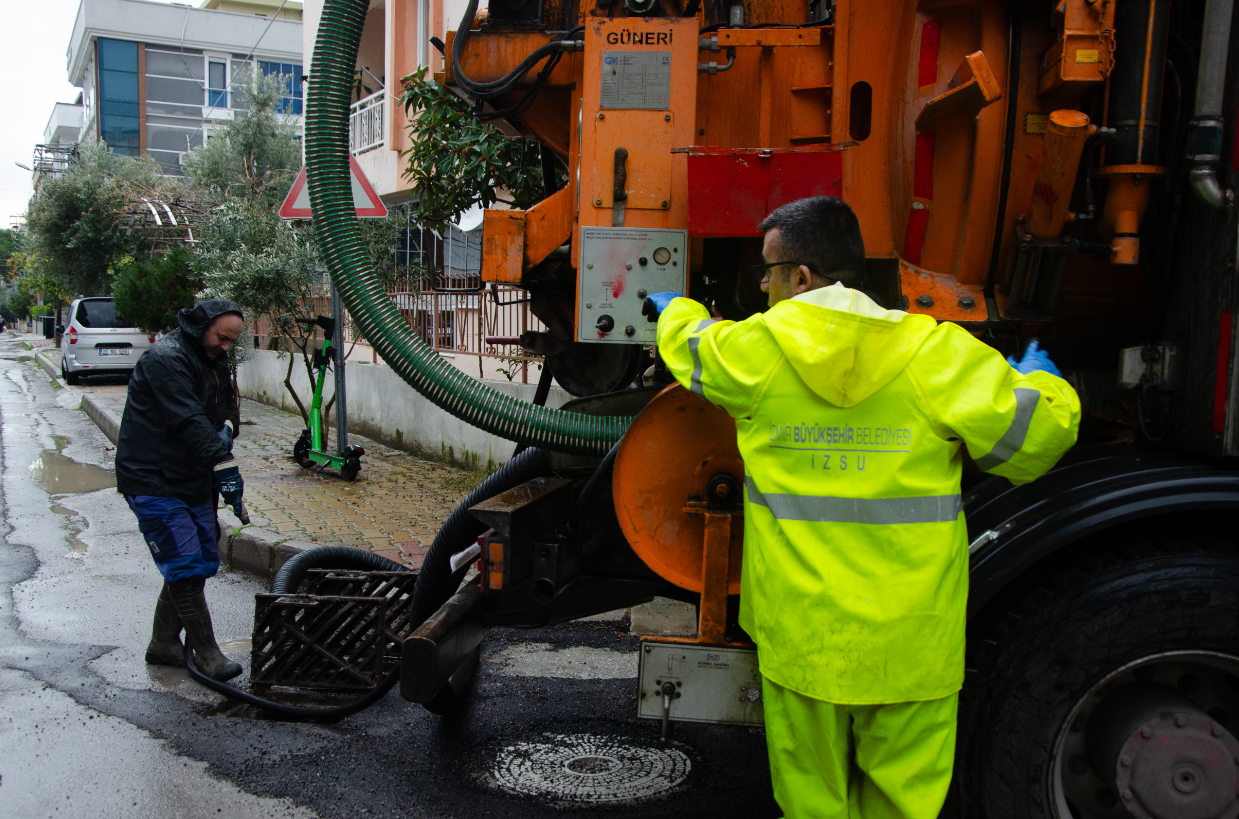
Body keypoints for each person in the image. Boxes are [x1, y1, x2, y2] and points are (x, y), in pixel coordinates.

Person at [644, 196, 1080, 818]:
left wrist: (674, 309)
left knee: (812, 804)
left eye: (767, 274)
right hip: (912, 647)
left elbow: (690, 344)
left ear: (799, 278)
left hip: (803, 641)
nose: (763, 288)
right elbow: (1036, 443)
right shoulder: (936, 353)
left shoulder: (754, 353)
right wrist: (1043, 382)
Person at [116, 298, 247, 681]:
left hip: (192, 476)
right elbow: (189, 420)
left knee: (199, 558)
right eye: (222, 338)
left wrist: (226, 427)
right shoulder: (164, 359)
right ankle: (206, 652)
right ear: (199, 326)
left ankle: (164, 644)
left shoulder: (214, 359)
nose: (225, 347)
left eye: (231, 342)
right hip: (153, 477)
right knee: (186, 563)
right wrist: (222, 463)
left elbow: (228, 410)